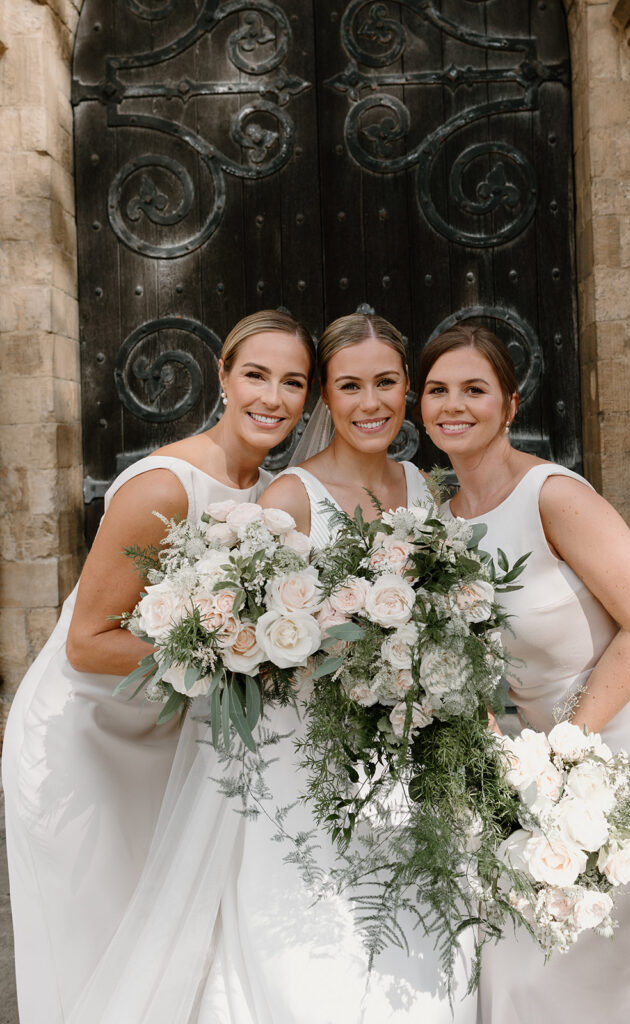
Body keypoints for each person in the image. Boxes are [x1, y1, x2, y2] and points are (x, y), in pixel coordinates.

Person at [64, 313, 478, 1023]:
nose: (370, 403)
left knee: (414, 940)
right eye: (350, 386)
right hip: (303, 756)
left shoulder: (427, 488)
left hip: (407, 757)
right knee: (308, 953)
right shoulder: (286, 501)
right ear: (327, 398)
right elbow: (254, 638)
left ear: (408, 388)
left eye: (385, 382)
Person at [2, 309, 315, 1024]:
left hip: (163, 740)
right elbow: (87, 643)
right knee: (96, 946)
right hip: (83, 741)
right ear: (224, 377)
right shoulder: (166, 486)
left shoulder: (273, 496)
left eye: (292, 382)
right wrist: (232, 654)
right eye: (257, 375)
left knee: (163, 949)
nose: (272, 397)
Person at [416, 322, 630, 1024]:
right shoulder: (439, 523)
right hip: (542, 770)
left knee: (577, 963)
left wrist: (565, 747)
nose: (453, 405)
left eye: (474, 389)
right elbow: (469, 660)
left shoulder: (551, 495)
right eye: (437, 390)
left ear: (508, 404)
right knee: (512, 960)